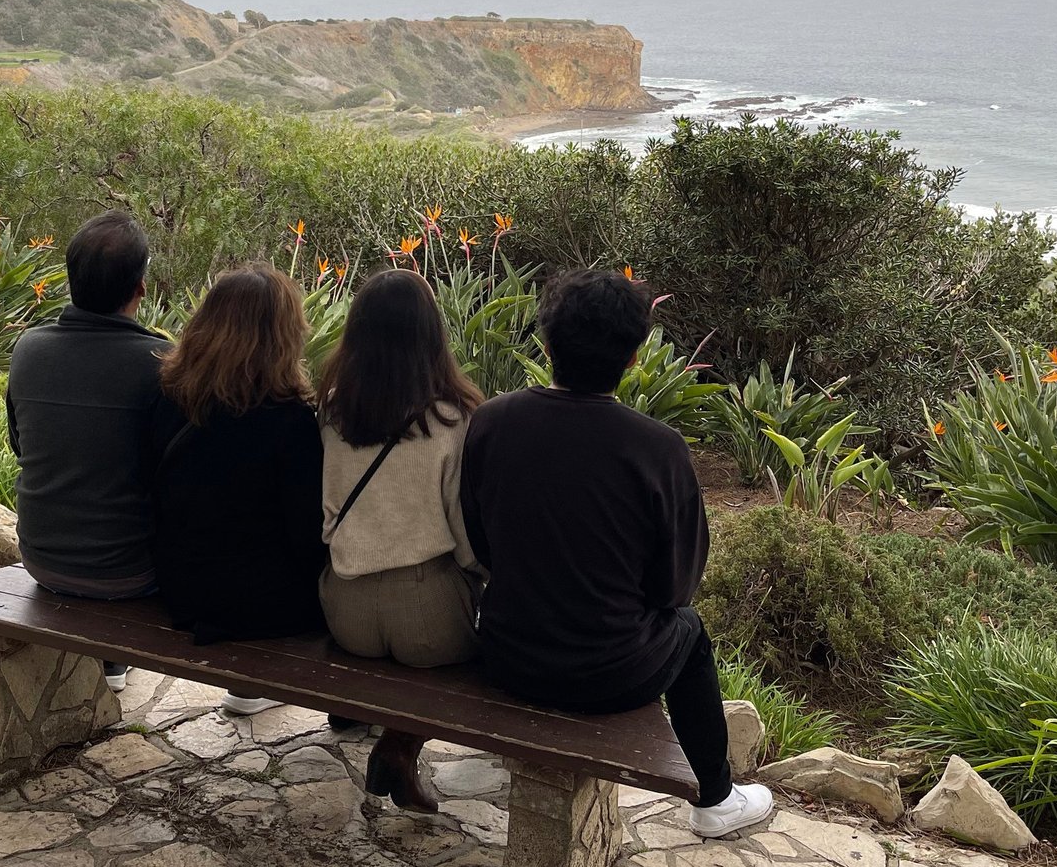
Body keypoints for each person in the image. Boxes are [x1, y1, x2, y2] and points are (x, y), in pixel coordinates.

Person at [459, 269, 772, 837]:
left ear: (547, 344)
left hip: (506, 657)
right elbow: (674, 587)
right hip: (610, 675)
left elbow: (481, 541)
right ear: (633, 358)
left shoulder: (492, 421)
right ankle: (715, 798)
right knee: (690, 630)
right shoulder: (657, 448)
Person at [317, 269, 485, 814]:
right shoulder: (452, 419)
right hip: (427, 613)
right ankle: (397, 745)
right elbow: (465, 538)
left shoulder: (333, 411)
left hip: (347, 612)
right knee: (467, 648)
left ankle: (384, 734)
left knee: (395, 656)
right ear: (431, 335)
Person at [153, 263, 326, 712]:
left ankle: (253, 688)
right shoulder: (290, 421)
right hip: (262, 604)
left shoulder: (168, 396)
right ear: (283, 337)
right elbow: (308, 533)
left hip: (181, 588)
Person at [6, 209, 167, 691]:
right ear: (140, 287)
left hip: (44, 559)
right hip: (131, 575)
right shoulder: (159, 363)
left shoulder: (29, 349)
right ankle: (114, 657)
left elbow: (20, 445)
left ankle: (110, 661)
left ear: (69, 280)